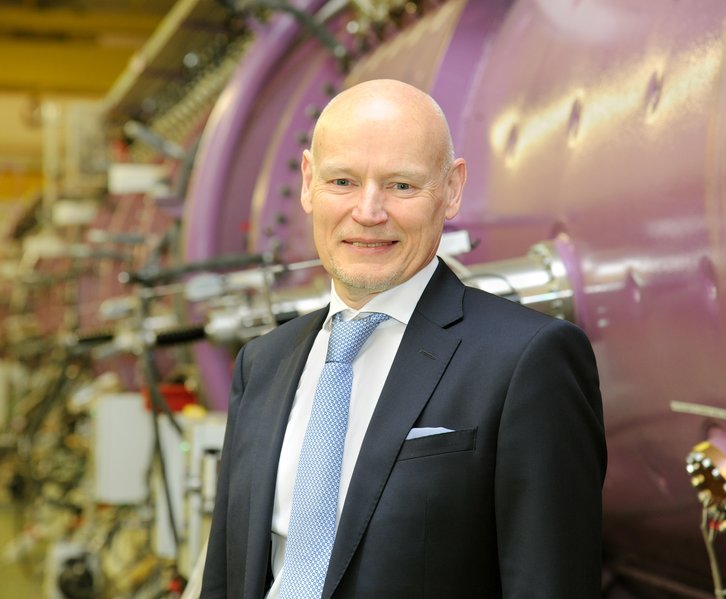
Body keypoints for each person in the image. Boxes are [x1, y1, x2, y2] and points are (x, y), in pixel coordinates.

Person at [201, 78, 606, 598]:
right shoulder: (262, 364)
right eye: (343, 181)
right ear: (307, 183)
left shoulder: (527, 360)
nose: (369, 213)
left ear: (452, 189)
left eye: (401, 186)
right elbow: (227, 578)